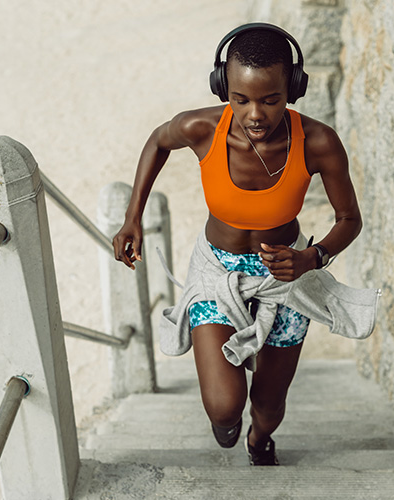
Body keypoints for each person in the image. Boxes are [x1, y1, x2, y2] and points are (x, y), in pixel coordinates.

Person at [113, 23, 369, 466]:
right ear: (222, 88)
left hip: (285, 281)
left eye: (270, 99)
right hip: (217, 272)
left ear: (292, 87)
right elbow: (158, 140)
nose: (255, 114)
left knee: (268, 407)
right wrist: (132, 216)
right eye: (240, 98)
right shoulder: (202, 128)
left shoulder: (319, 142)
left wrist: (313, 256)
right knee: (223, 408)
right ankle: (232, 423)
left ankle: (261, 438)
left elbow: (350, 220)